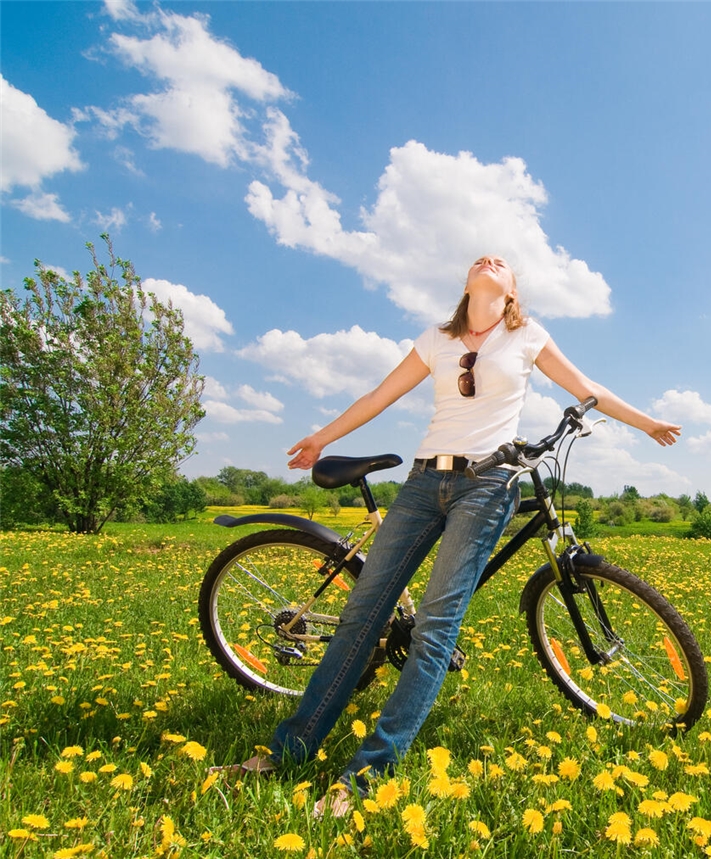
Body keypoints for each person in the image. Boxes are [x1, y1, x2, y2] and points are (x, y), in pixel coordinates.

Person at [219, 255, 680, 817]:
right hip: (422, 482)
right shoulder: (437, 340)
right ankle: (288, 752)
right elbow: (378, 397)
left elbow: (588, 388)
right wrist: (321, 436)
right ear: (467, 285)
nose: (489, 260)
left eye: (502, 262)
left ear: (511, 291)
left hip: (488, 485)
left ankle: (366, 776)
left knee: (436, 625)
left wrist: (648, 422)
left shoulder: (526, 335)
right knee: (362, 615)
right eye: (480, 259)